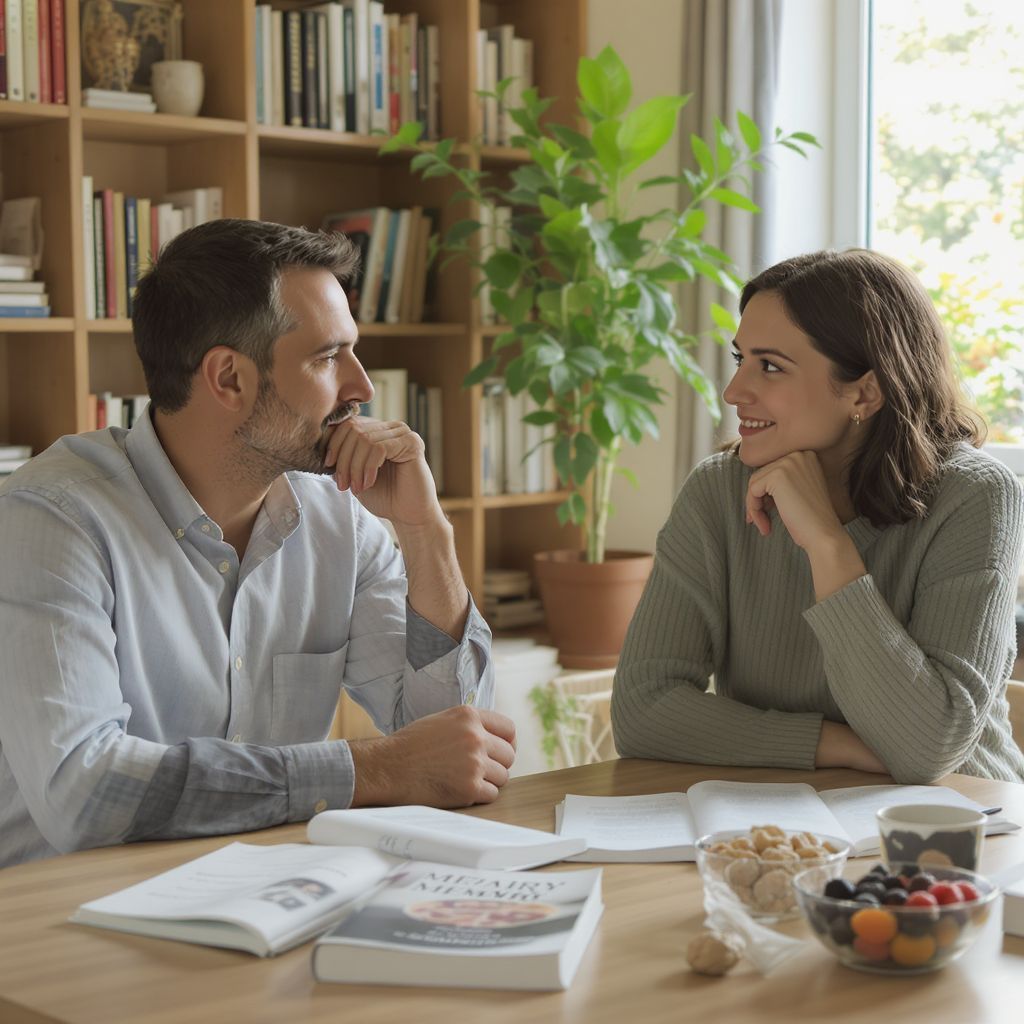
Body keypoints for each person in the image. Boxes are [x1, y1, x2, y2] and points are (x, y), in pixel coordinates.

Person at [0, 219, 515, 868]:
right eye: (329, 357)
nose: (363, 388)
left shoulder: (340, 520)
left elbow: (457, 743)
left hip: (261, 898)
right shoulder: (53, 519)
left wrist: (425, 532)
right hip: (59, 928)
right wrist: (369, 770)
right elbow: (84, 791)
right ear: (229, 379)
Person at [611, 249, 1024, 785]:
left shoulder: (975, 497)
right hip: (786, 815)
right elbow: (643, 712)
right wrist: (841, 745)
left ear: (864, 390)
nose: (735, 392)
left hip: (962, 825)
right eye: (741, 359)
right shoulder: (718, 490)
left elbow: (928, 749)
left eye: (772, 366)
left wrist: (829, 546)